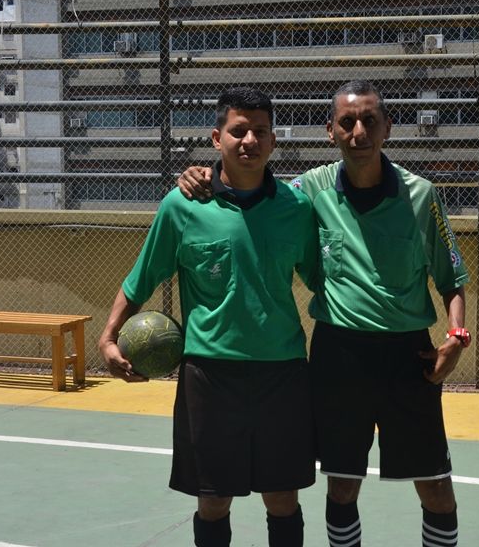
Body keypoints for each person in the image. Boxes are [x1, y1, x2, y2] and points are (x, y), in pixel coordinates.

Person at [178, 80, 470, 547]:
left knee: (436, 488)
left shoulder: (421, 195)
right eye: (347, 122)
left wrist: (456, 337)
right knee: (342, 486)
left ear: (388, 127)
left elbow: (451, 278)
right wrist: (202, 177)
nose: (359, 132)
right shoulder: (309, 189)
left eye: (369, 120)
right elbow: (253, 189)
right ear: (330, 131)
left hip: (409, 358)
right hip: (339, 354)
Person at [98, 87, 319, 547]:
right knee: (213, 500)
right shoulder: (182, 206)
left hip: (282, 373)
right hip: (209, 376)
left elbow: (326, 283)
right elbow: (141, 278)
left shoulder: (296, 209)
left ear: (273, 141)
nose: (249, 140)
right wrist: (108, 337)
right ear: (217, 138)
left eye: (260, 131)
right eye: (238, 131)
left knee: (282, 498)